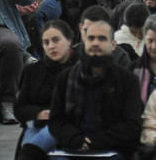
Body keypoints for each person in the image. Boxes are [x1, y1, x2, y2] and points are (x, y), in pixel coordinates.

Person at [37, 15, 142, 160]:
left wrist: (96, 142)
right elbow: (56, 120)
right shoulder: (65, 78)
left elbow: (132, 125)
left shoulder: (128, 80)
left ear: (113, 45)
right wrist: (75, 138)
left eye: (102, 38)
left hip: (111, 151)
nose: (95, 43)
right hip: (72, 148)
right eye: (91, 38)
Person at [15, 19, 78, 156]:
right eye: (46, 42)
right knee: (30, 146)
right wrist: (39, 113)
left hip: (71, 126)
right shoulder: (33, 70)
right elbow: (19, 109)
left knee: (32, 150)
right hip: (40, 124)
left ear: (69, 40)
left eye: (56, 40)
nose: (51, 46)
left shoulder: (82, 68)